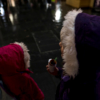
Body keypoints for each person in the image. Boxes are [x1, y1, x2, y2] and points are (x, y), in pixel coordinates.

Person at [46, 9, 100, 100]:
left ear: (77, 56)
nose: (60, 44)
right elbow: (70, 77)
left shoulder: (84, 94)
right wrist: (59, 72)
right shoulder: (85, 71)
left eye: (64, 45)